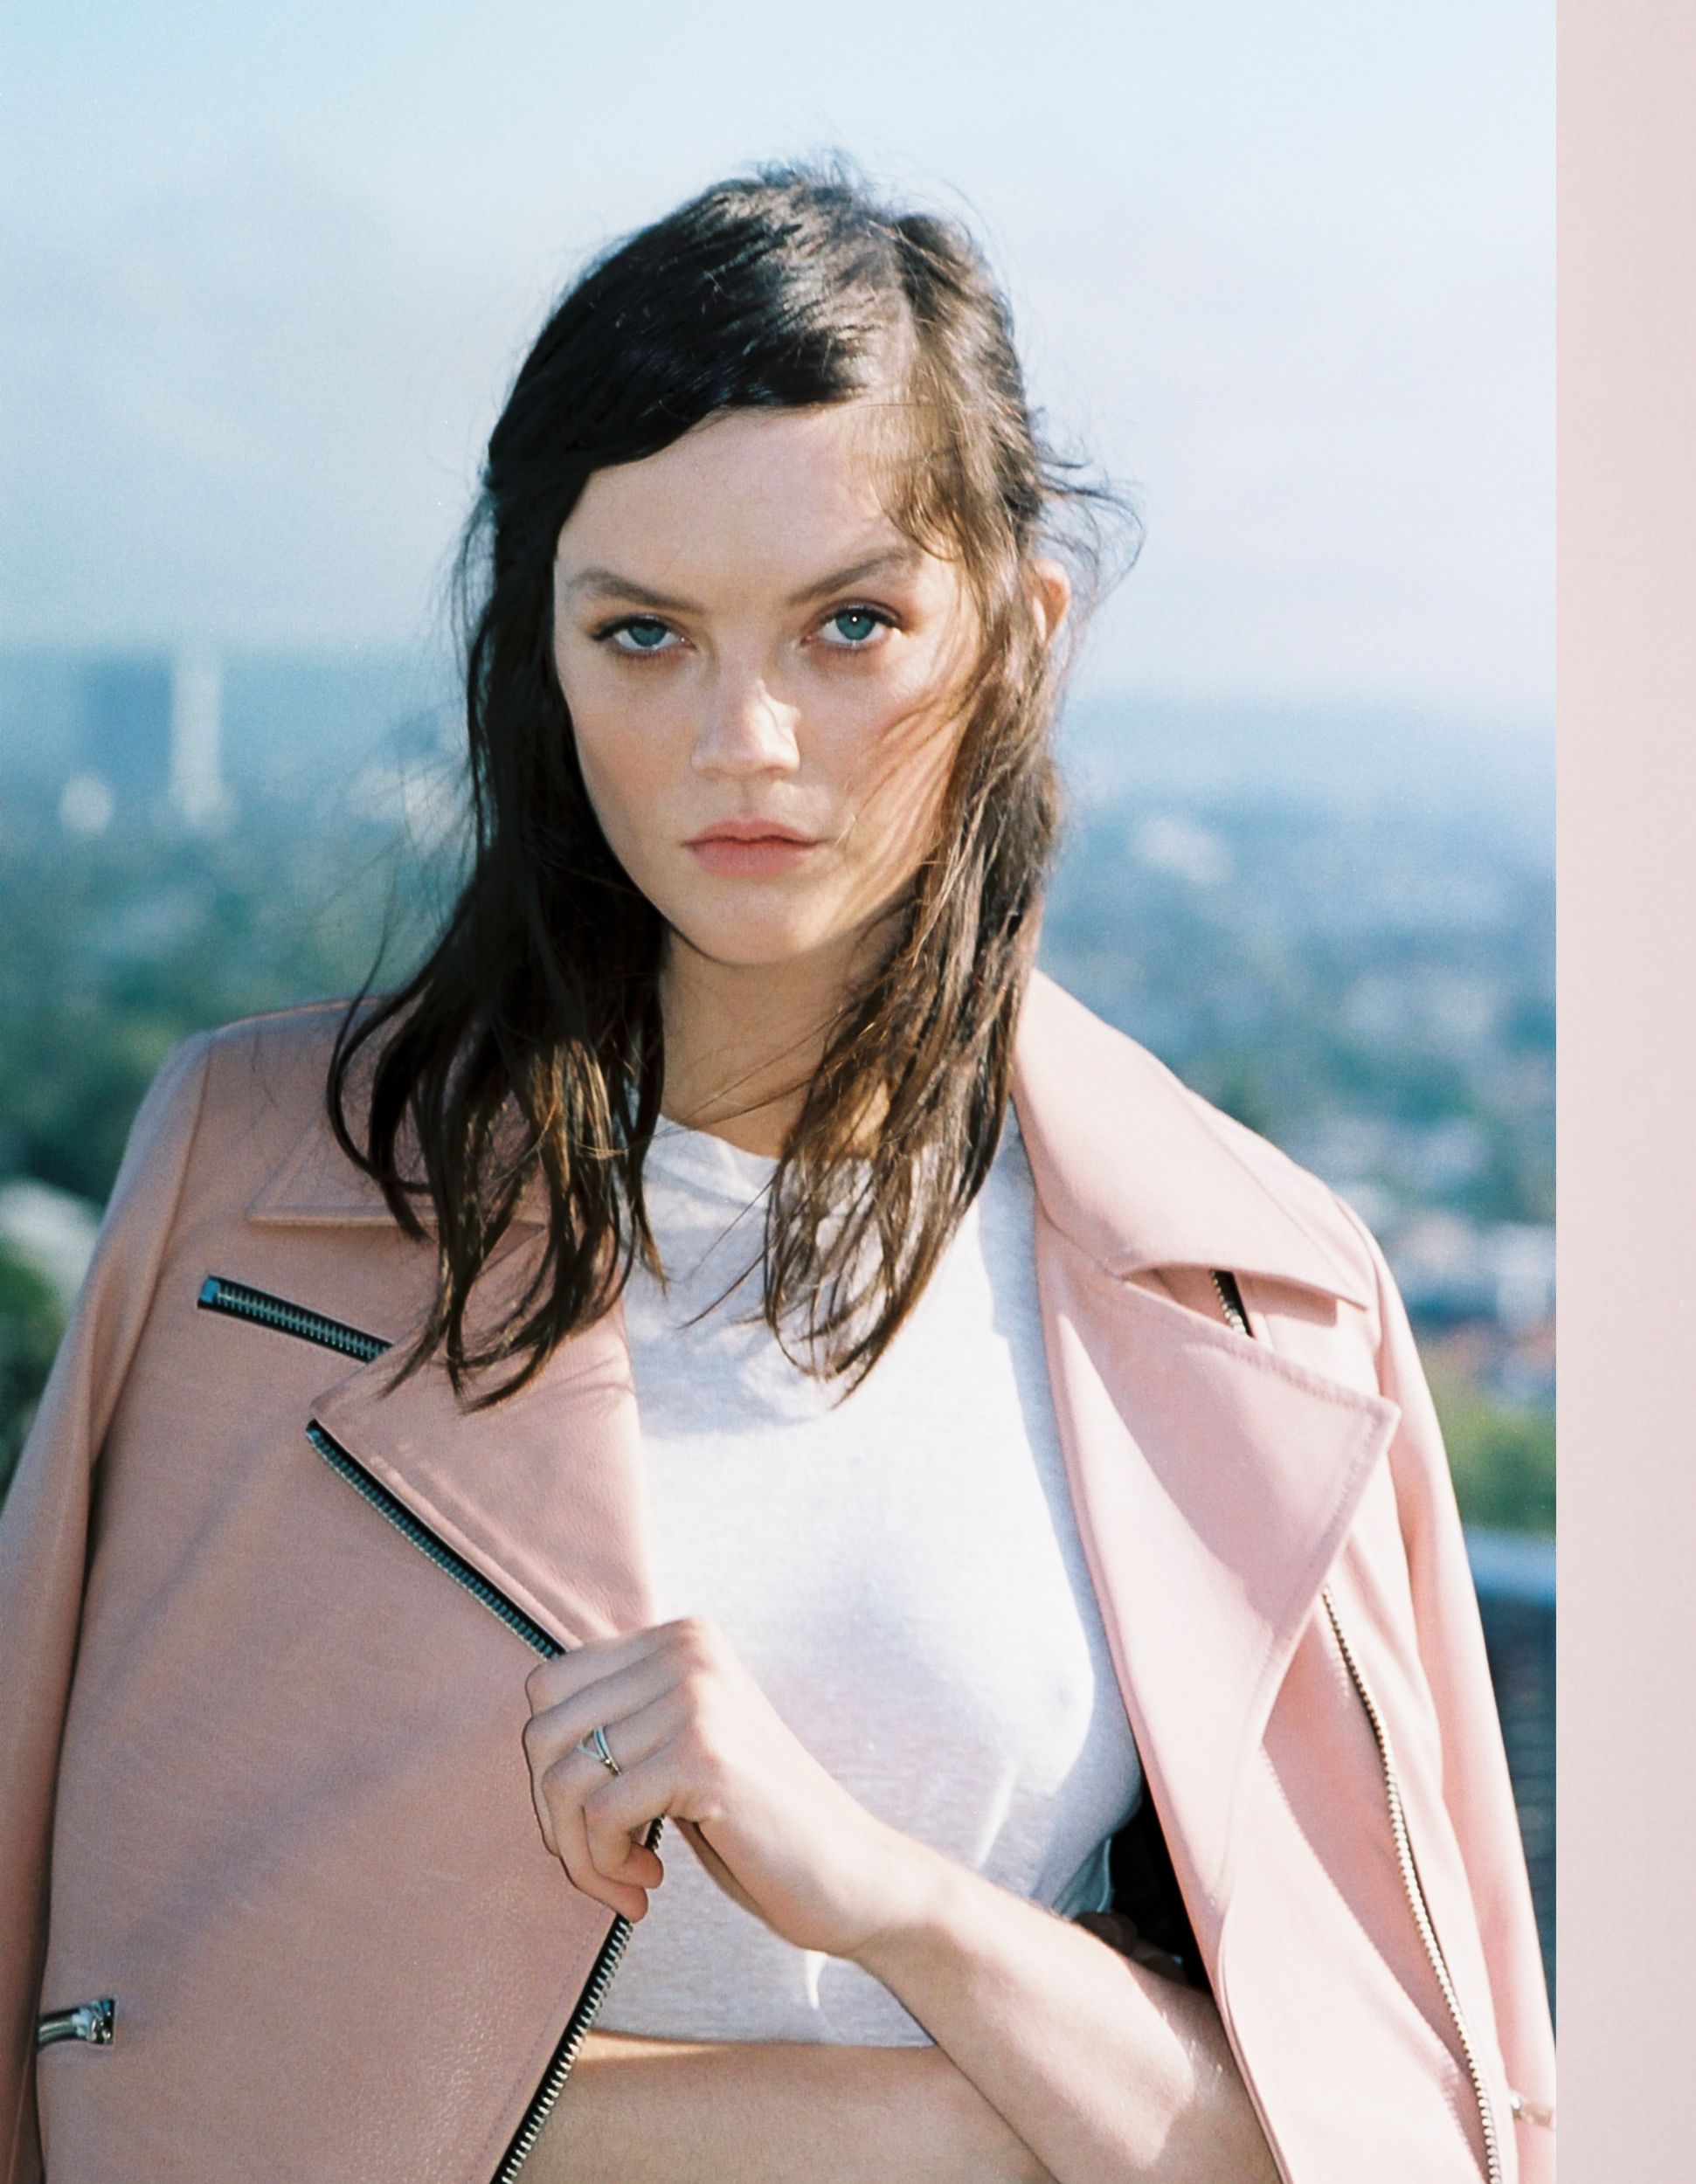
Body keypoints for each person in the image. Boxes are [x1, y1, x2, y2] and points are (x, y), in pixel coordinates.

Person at [0, 164, 1554, 2184]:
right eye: (642, 632)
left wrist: (893, 1899)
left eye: (851, 625)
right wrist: (934, 2120)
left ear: (1023, 635)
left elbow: (1386, 2137)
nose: (745, 736)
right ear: (541, 652)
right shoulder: (260, 1187)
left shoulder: (1261, 1289)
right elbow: (127, 2055)